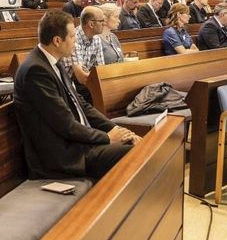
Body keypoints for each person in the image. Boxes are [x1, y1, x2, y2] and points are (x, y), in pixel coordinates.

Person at [12, 10, 139, 180]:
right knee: (135, 154)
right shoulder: (36, 71)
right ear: (57, 41)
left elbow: (82, 105)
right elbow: (65, 124)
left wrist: (115, 129)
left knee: (137, 144)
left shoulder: (53, 62)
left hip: (78, 143)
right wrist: (107, 138)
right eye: (72, 36)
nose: (75, 40)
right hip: (63, 155)